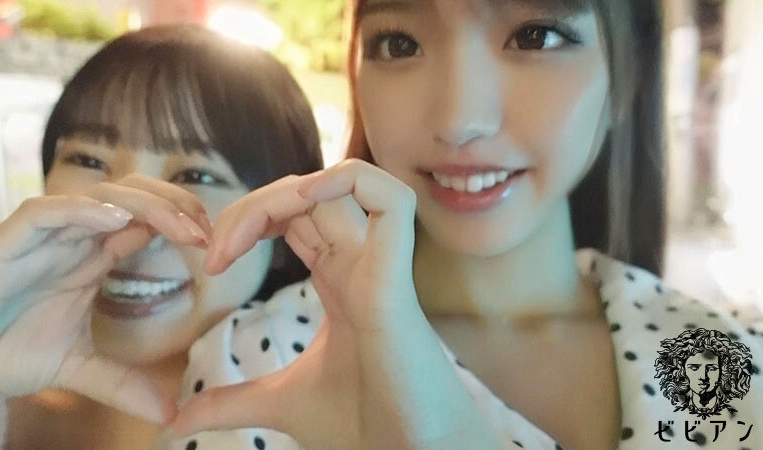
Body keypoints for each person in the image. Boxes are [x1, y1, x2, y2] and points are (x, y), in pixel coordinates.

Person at [159, 1, 763, 449]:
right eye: (398, 44)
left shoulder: (726, 357)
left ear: (626, 78)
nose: (460, 119)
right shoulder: (260, 361)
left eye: (536, 35)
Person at [0, 25, 322, 449]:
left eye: (198, 175)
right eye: (88, 160)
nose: (130, 218)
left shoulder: (326, 394)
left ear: (283, 227)